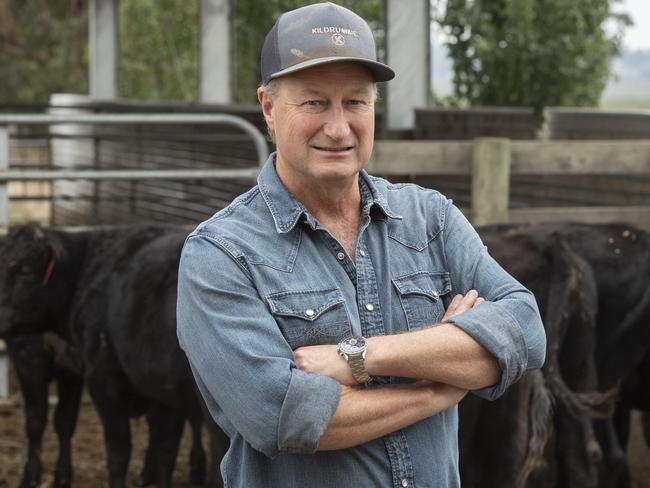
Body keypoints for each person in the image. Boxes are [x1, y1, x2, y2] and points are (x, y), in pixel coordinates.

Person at [176, 2, 546, 487]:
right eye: (313, 102)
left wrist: (359, 355)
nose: (338, 127)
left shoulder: (428, 218)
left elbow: (525, 330)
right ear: (268, 107)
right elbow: (284, 416)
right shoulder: (221, 253)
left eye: (355, 102)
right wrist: (439, 388)